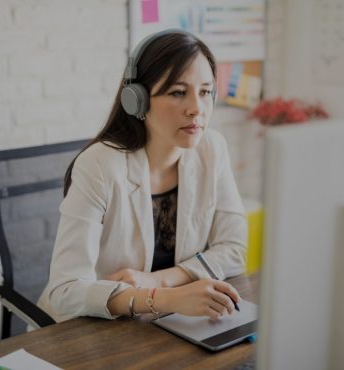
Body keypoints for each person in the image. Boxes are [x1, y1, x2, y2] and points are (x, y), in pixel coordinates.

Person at [37, 29, 247, 322]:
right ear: (136, 100)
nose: (196, 109)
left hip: (172, 321)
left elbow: (235, 250)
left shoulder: (212, 148)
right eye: (178, 92)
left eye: (205, 91)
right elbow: (65, 291)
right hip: (92, 327)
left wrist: (163, 281)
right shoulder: (99, 166)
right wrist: (163, 298)